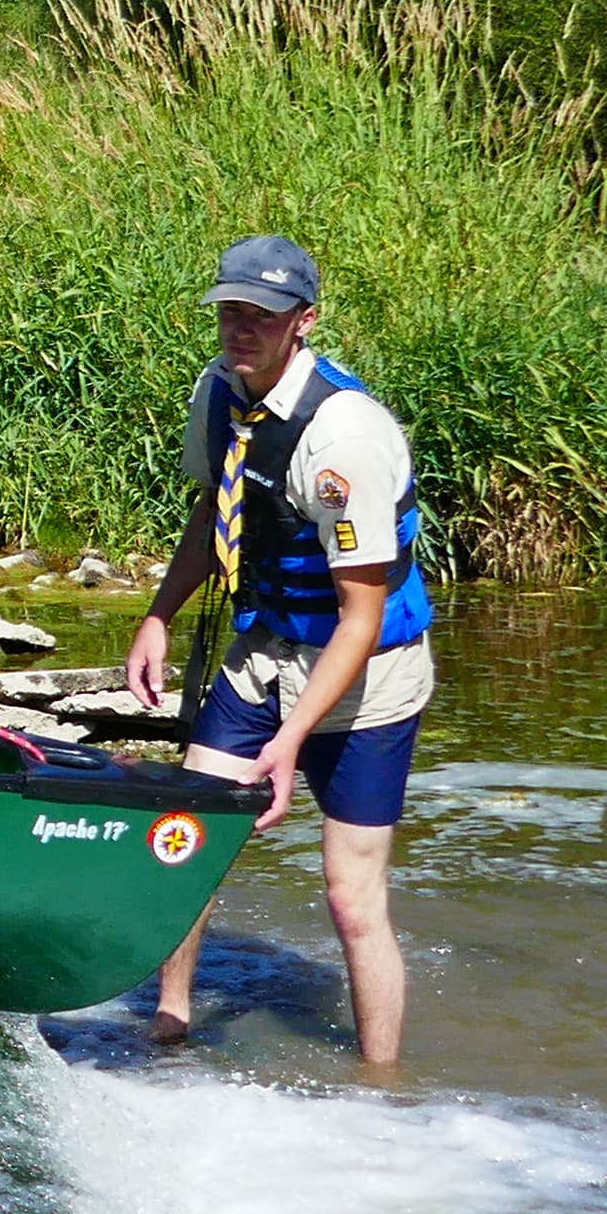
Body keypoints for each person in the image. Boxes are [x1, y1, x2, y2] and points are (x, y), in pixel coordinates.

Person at [125, 234, 434, 1065]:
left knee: (351, 897)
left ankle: (383, 1082)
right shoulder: (219, 392)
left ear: (304, 321)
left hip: (368, 672)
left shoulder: (344, 439)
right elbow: (213, 513)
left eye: (261, 315)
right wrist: (158, 616)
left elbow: (361, 617)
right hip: (264, 649)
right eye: (230, 310)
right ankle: (170, 1027)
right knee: (186, 839)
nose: (241, 327)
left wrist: (289, 742)